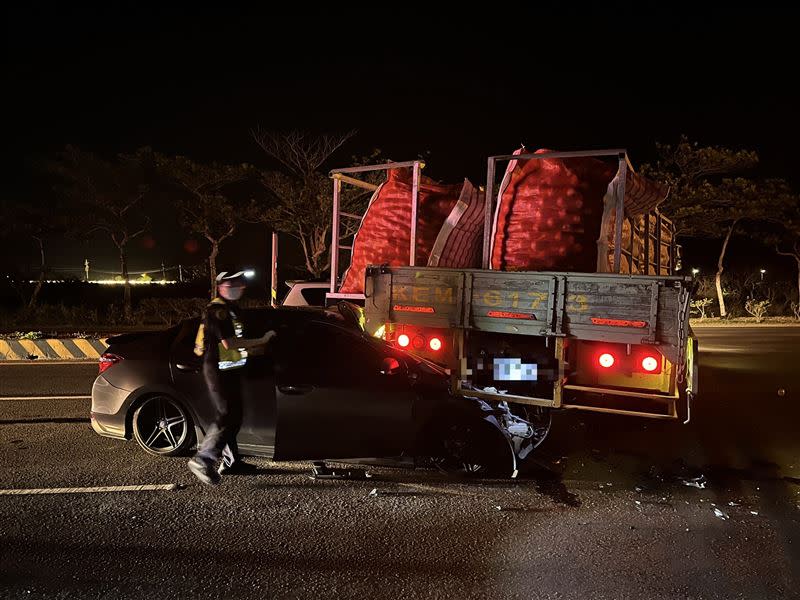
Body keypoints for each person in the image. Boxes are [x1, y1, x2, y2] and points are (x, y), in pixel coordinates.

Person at [187, 271, 276, 485]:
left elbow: (235, 344)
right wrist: (262, 340)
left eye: (240, 282)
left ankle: (232, 461)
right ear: (220, 286)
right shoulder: (218, 311)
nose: (238, 286)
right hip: (217, 370)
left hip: (229, 369)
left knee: (234, 415)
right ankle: (203, 459)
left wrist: (253, 351)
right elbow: (230, 343)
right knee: (228, 415)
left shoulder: (231, 309)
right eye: (232, 283)